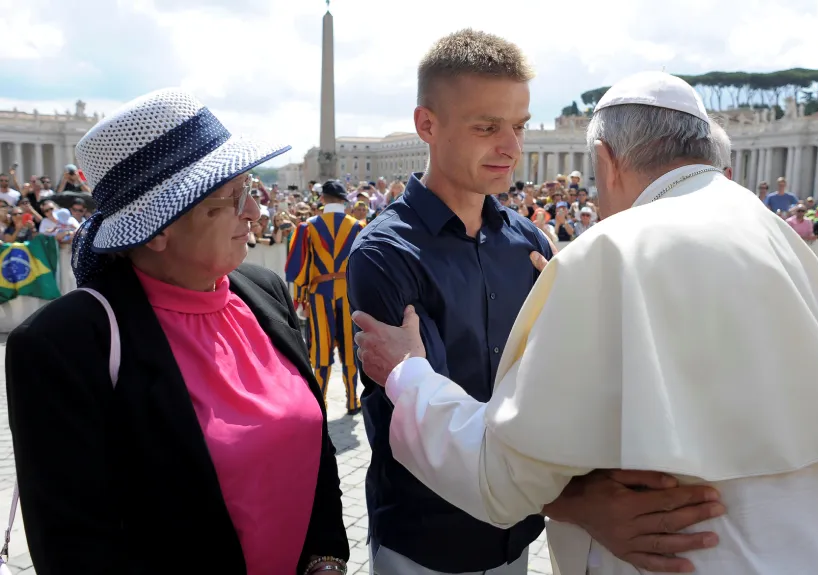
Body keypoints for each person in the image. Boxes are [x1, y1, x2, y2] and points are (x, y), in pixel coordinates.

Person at [352, 72, 818, 575]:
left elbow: (501, 477)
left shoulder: (612, 249)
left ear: (606, 157)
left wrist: (408, 373)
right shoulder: (769, 226)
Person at [347, 33, 724, 575]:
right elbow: (417, 417)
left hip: (518, 533)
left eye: (518, 126)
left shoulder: (529, 242)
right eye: (487, 127)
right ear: (427, 125)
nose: (512, 147)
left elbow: (546, 390)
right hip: (428, 539)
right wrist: (580, 503)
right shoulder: (384, 253)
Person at [5, 88, 349, 575]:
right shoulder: (63, 345)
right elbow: (75, 547)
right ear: (155, 227)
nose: (254, 213)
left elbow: (316, 446)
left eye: (250, 189)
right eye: (233, 198)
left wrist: (327, 555)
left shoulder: (263, 290)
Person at [285, 179, 364, 415]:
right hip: (348, 294)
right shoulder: (357, 226)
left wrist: (299, 298)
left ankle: (320, 402)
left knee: (320, 348)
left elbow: (299, 267)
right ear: (343, 200)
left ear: (321, 199)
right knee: (350, 347)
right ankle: (352, 401)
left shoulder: (308, 226)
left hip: (319, 294)